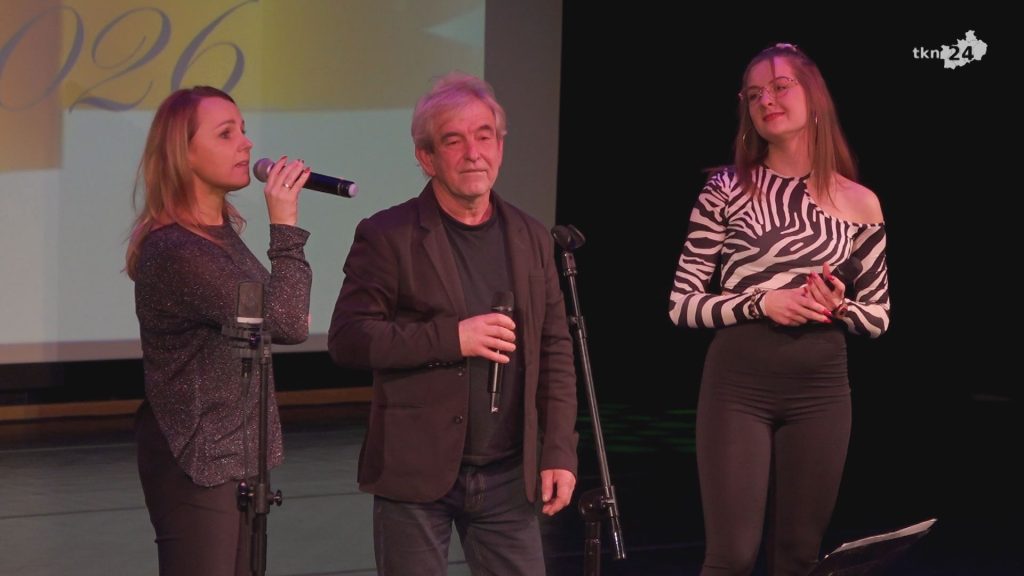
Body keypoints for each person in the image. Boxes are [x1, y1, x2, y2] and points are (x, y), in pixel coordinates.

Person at [328, 72, 578, 575]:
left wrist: (558, 452)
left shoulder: (532, 237)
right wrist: (453, 338)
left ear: (500, 147)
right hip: (416, 472)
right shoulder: (387, 235)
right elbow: (349, 339)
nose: (473, 153)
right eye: (453, 140)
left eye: (484, 136)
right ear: (427, 158)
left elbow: (554, 349)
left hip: (509, 474)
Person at [668, 44, 891, 576]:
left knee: (798, 557)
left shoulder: (861, 202)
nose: (766, 100)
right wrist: (761, 301)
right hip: (738, 386)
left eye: (780, 87)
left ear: (814, 98)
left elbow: (879, 316)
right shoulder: (725, 189)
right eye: (754, 95)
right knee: (732, 556)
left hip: (821, 391)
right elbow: (682, 304)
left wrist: (839, 307)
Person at [125, 86, 313, 576]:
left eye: (243, 131)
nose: (246, 144)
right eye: (226, 133)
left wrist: (280, 310)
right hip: (197, 454)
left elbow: (277, 314)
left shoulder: (220, 236)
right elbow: (290, 321)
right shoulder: (177, 250)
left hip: (239, 452)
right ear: (182, 153)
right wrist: (286, 227)